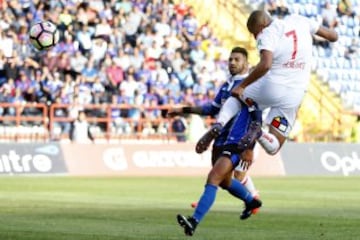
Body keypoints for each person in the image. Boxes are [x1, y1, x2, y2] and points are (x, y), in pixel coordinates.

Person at [195, 10, 338, 158]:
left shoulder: (268, 32)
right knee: (274, 146)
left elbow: (266, 64)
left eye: (254, 32)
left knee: (236, 96)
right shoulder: (301, 20)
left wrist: (242, 85)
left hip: (271, 88)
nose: (255, 36)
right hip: (294, 96)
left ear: (261, 26)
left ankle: (219, 124)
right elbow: (333, 36)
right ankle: (260, 133)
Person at [169, 47, 262, 237]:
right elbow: (211, 109)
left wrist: (250, 147)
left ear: (246, 63)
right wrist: (184, 110)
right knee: (225, 182)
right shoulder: (227, 85)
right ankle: (251, 201)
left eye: (237, 59)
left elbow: (257, 119)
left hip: (237, 143)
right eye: (230, 59)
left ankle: (194, 221)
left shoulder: (250, 86)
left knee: (213, 178)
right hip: (220, 140)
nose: (232, 63)